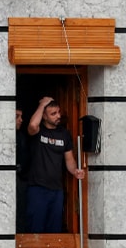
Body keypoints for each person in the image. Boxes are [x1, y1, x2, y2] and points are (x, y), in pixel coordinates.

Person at [24, 96, 83, 233]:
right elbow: (32, 126)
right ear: (44, 116)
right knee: (35, 228)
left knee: (54, 230)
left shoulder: (64, 134)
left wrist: (75, 171)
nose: (58, 116)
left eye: (58, 112)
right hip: (37, 188)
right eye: (53, 113)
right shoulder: (38, 132)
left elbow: (69, 160)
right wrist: (42, 104)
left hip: (56, 190)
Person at [15, 108, 30, 233]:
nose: (21, 120)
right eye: (16, 116)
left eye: (21, 116)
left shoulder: (21, 137)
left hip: (22, 180)